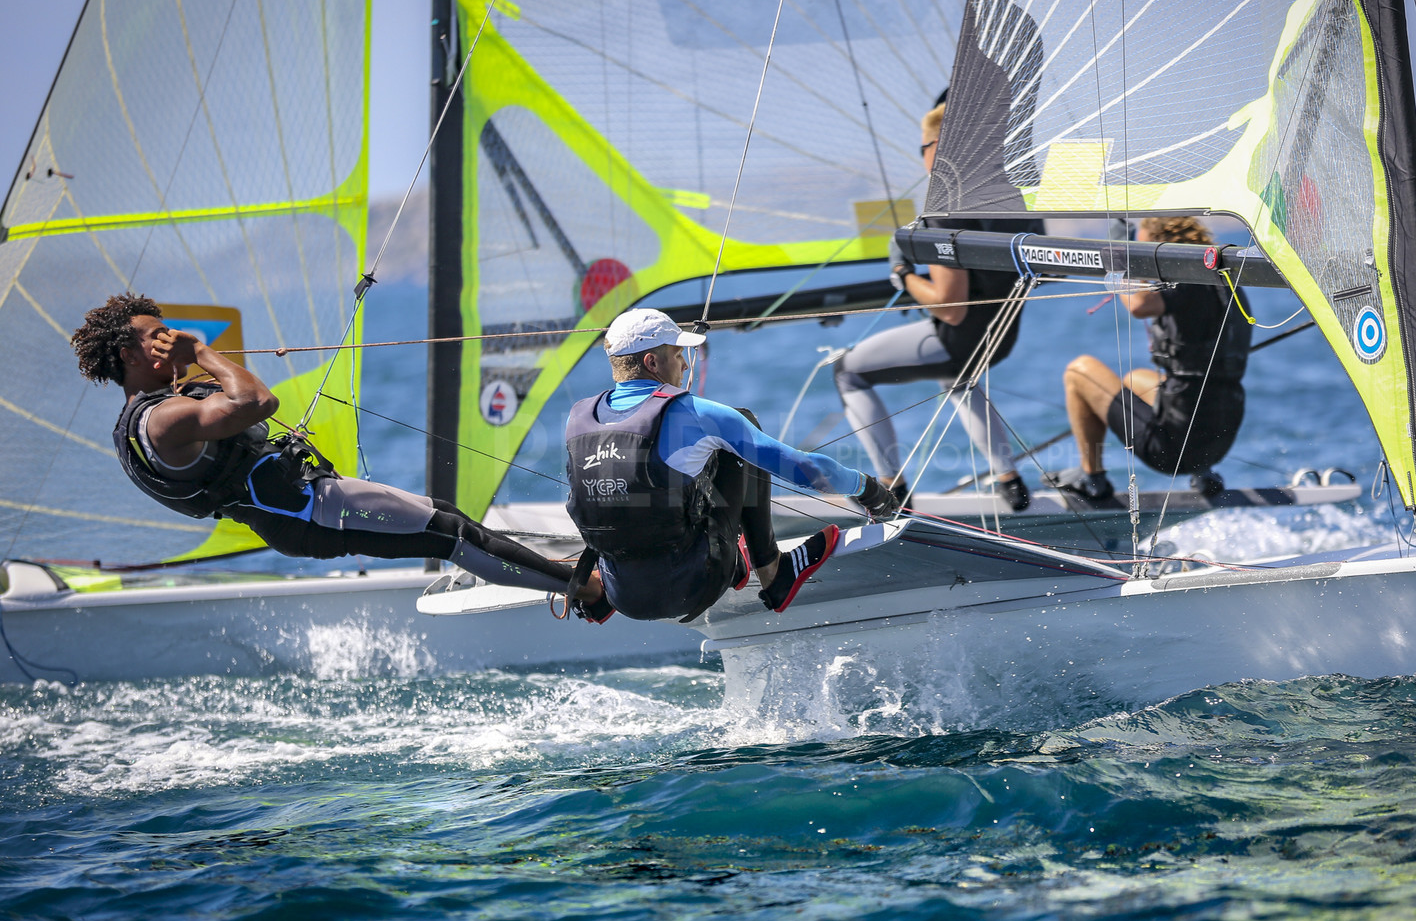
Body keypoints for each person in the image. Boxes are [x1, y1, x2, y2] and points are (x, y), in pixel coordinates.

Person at [70, 294, 612, 617]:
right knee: (450, 533)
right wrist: (202, 352)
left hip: (307, 510)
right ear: (127, 354)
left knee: (446, 524)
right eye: (156, 335)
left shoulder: (142, 417)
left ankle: (563, 576)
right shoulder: (161, 420)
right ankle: (588, 590)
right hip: (308, 512)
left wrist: (188, 363)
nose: (168, 339)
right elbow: (257, 401)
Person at [565, 308, 896, 622]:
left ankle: (599, 593)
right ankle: (773, 571)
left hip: (624, 597)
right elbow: (807, 471)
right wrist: (867, 489)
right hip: (695, 586)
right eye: (678, 355)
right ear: (652, 362)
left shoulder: (579, 418)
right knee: (738, 431)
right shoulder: (695, 414)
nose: (683, 365)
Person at [834, 102, 1031, 512]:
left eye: (923, 145)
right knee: (958, 381)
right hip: (1001, 339)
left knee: (847, 372)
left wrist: (903, 272)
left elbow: (949, 306)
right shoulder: (1008, 196)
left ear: (939, 147)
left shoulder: (945, 205)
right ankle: (1010, 480)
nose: (921, 154)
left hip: (958, 342)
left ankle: (892, 488)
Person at [1054, 216, 1251, 499]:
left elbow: (1139, 303)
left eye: (1144, 251)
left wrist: (1117, 258)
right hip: (1220, 439)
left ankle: (1092, 478)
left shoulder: (1186, 279)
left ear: (1161, 246)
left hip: (1172, 448)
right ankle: (1202, 472)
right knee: (1135, 379)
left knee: (1079, 372)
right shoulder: (1223, 280)